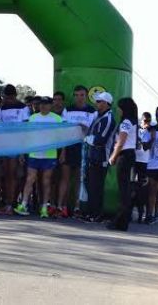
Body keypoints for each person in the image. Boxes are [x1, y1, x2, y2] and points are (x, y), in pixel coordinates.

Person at [14, 97, 61, 218]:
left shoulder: (57, 119)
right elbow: (26, 136)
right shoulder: (33, 118)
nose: (43, 106)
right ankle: (23, 204)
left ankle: (44, 207)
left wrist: (63, 153)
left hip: (50, 155)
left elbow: (63, 137)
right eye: (41, 104)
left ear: (51, 105)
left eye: (46, 104)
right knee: (30, 179)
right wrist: (22, 152)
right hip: (34, 154)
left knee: (46, 182)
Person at [58, 85, 96, 218]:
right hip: (68, 147)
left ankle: (77, 208)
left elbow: (93, 131)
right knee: (65, 179)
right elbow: (63, 132)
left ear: (86, 96)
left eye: (82, 95)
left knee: (80, 180)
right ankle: (61, 207)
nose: (79, 98)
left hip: (84, 149)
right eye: (76, 95)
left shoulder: (92, 111)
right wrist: (62, 152)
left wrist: (84, 128)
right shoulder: (67, 110)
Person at [0, 84, 30, 214]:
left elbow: (25, 129)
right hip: (4, 145)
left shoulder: (23, 108)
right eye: (5, 97)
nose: (7, 99)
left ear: (14, 95)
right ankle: (8, 202)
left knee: (15, 175)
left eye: (9, 97)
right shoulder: (1, 109)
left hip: (18, 145)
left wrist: (22, 150)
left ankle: (12, 203)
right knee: (6, 175)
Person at [107, 97, 138, 231]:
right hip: (130, 154)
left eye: (119, 107)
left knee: (123, 190)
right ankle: (122, 220)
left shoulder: (125, 122)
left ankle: (120, 220)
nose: (118, 110)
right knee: (125, 188)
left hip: (124, 155)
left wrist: (113, 156)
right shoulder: (133, 121)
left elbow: (121, 140)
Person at [84, 91, 116, 222]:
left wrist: (85, 138)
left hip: (102, 157)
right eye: (96, 101)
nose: (96, 103)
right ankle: (91, 213)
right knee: (91, 185)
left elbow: (101, 140)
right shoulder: (98, 116)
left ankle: (96, 214)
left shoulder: (108, 118)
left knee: (97, 186)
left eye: (99, 101)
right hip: (92, 156)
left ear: (106, 103)